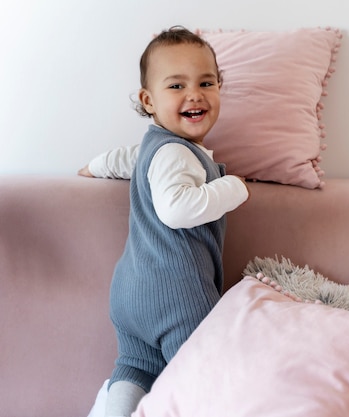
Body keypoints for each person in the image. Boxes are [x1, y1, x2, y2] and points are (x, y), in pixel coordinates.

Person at [81, 26, 249, 417]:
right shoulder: (177, 154)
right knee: (200, 378)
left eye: (206, 82)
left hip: (129, 291)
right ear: (148, 100)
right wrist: (235, 187)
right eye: (176, 86)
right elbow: (177, 209)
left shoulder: (151, 148)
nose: (194, 94)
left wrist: (90, 168)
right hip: (176, 290)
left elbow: (119, 159)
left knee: (135, 367)